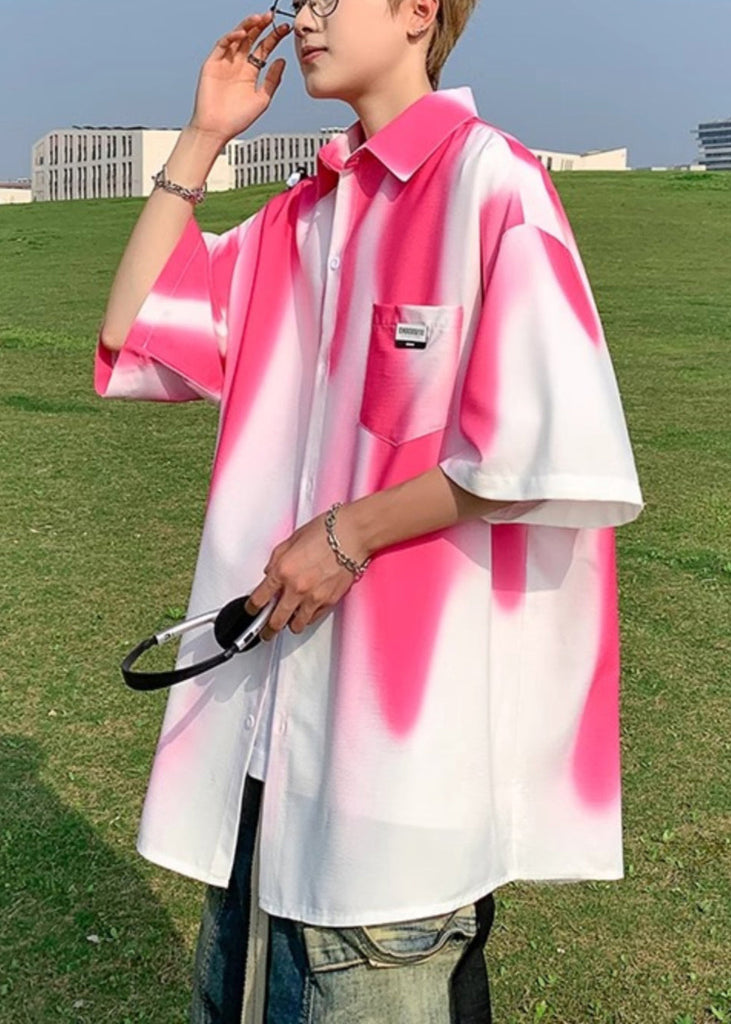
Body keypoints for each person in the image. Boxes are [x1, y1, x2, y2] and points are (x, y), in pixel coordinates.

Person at [94, 0, 644, 1020]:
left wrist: (349, 534)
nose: (303, 17)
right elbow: (135, 335)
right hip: (263, 745)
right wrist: (203, 136)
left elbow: (547, 444)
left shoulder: (491, 183)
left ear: (416, 11)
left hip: (399, 767)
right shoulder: (303, 214)